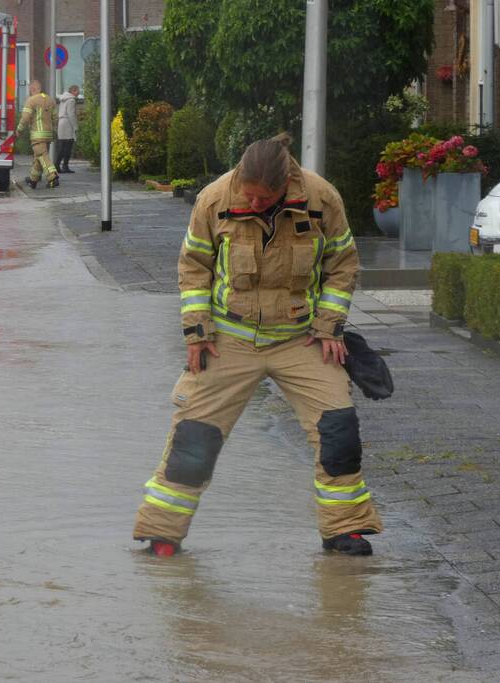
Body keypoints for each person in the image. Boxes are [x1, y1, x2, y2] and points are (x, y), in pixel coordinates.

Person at [132, 133, 383, 558]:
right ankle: (162, 532)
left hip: (300, 338)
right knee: (195, 435)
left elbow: (342, 263)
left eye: (263, 199)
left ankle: (345, 529)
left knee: (338, 429)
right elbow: (193, 268)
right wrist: (197, 333)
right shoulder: (214, 200)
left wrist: (329, 327)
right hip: (228, 339)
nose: (253, 205)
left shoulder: (321, 199)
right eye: (247, 196)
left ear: (286, 185)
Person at [16, 80, 59, 189]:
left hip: (37, 135)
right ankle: (33, 179)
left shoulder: (31, 100)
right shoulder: (51, 100)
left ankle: (52, 176)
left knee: (43, 156)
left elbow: (25, 118)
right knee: (38, 157)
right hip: (47, 134)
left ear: (34, 89)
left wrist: (19, 129)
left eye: (31, 89)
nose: (31, 92)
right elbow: (55, 118)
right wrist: (54, 131)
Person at [55, 85, 80, 174]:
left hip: (61, 123)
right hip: (67, 124)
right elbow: (71, 114)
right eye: (77, 90)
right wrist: (75, 127)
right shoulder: (71, 100)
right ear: (73, 91)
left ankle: (57, 165)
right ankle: (64, 166)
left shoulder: (63, 99)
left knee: (62, 146)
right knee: (68, 146)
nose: (79, 92)